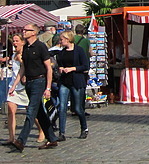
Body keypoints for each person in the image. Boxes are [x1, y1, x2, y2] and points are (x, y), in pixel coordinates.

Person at [9, 23, 59, 151]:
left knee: (31, 111)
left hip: (39, 81)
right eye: (24, 29)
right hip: (29, 83)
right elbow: (23, 68)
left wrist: (48, 88)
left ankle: (21, 141)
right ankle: (52, 138)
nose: (24, 31)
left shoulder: (41, 47)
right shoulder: (26, 48)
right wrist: (14, 85)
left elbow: (48, 68)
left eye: (27, 30)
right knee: (39, 112)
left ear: (34, 33)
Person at [55, 30, 90, 140]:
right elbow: (59, 64)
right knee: (62, 106)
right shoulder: (61, 52)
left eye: (62, 39)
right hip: (65, 81)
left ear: (68, 39)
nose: (60, 42)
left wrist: (73, 68)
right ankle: (61, 133)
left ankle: (84, 128)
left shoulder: (79, 50)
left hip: (76, 81)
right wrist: (60, 68)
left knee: (77, 108)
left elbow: (85, 66)